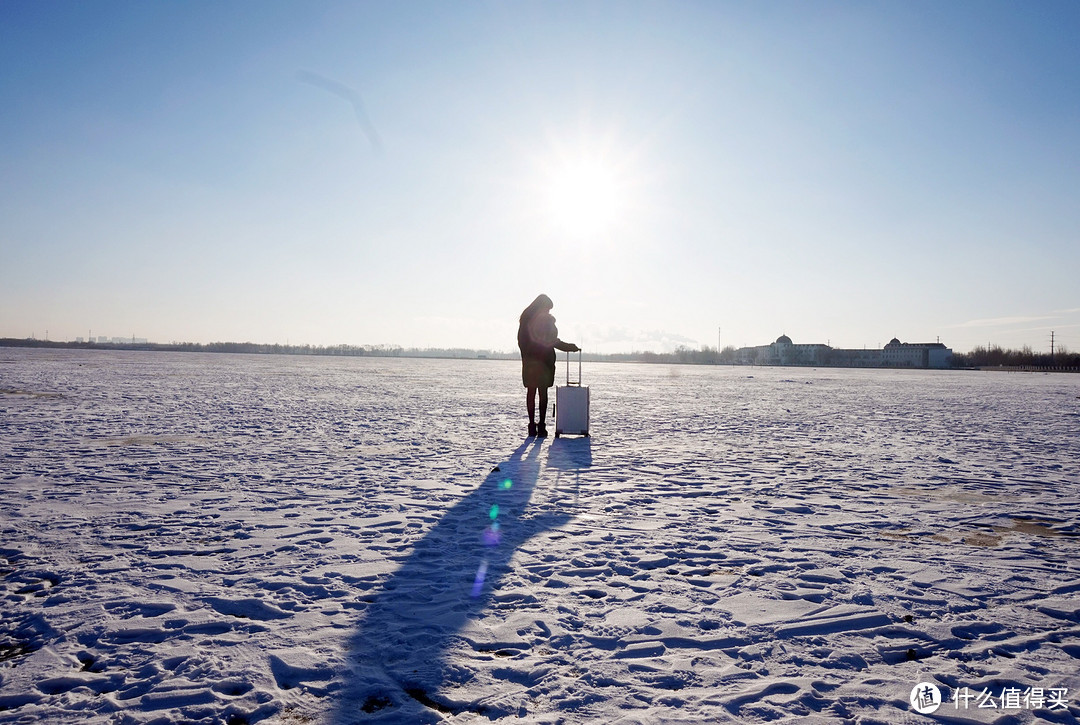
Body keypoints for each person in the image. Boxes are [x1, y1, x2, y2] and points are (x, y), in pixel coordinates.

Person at [517, 294, 579, 437]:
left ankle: (532, 426)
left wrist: (527, 358)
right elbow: (551, 341)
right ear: (542, 307)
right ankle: (542, 427)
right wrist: (568, 347)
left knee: (531, 393)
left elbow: (521, 343)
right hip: (543, 363)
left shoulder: (525, 321)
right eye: (548, 309)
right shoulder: (545, 322)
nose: (549, 312)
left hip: (530, 364)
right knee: (542, 393)